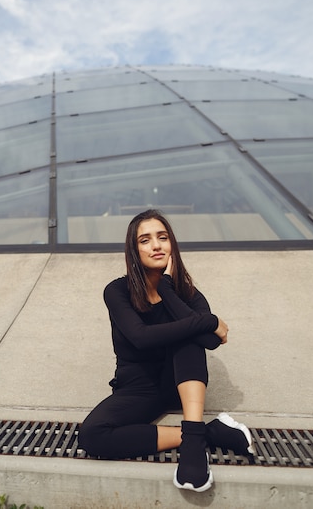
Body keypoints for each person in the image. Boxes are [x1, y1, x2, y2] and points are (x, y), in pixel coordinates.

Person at [78, 209, 253, 493]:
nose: (156, 245)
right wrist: (209, 321)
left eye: (162, 237)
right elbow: (141, 338)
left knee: (188, 338)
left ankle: (194, 448)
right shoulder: (117, 291)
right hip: (137, 389)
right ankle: (206, 432)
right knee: (92, 435)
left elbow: (209, 343)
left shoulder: (188, 294)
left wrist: (169, 289)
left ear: (172, 244)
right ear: (134, 250)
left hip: (177, 384)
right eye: (145, 240)